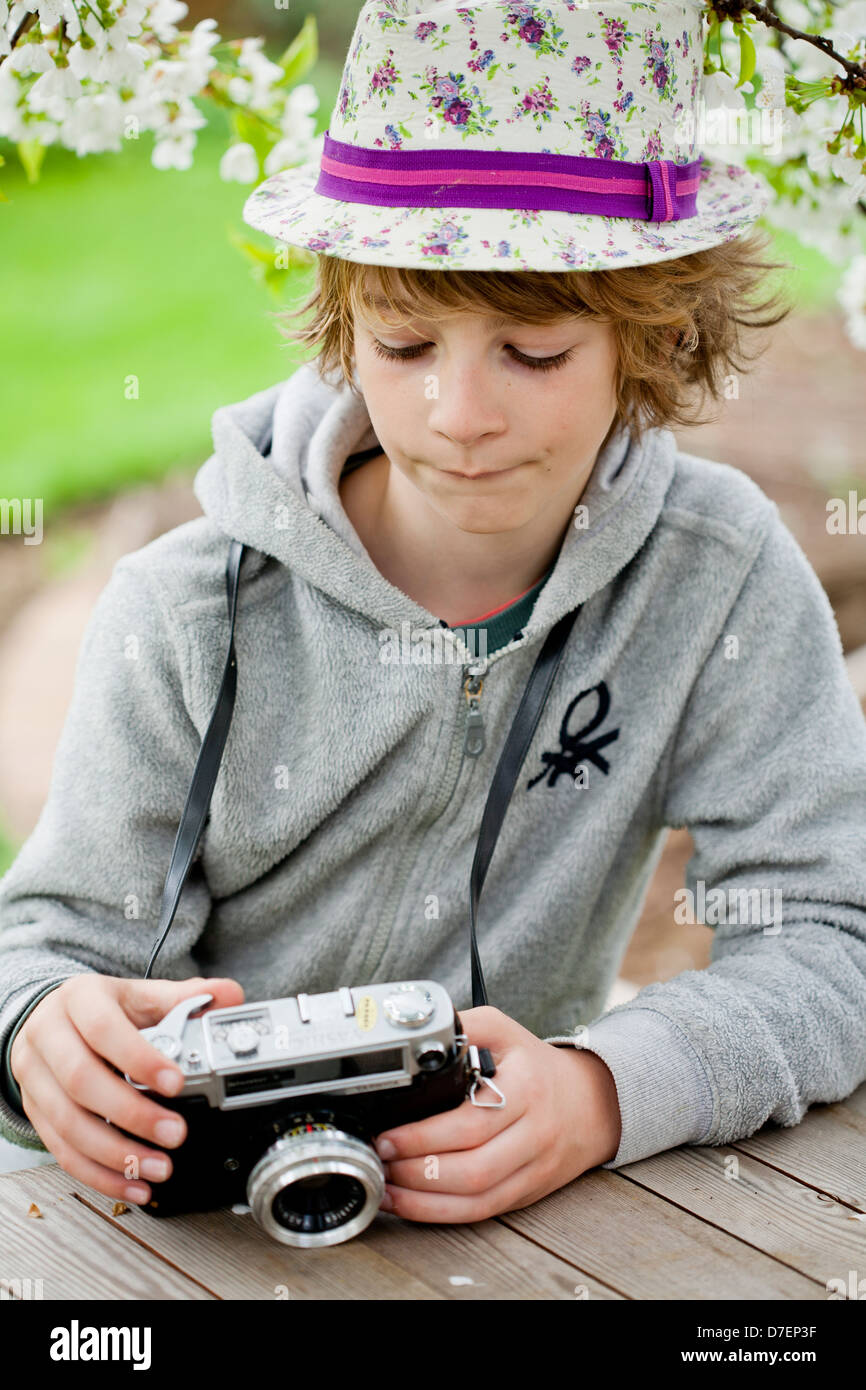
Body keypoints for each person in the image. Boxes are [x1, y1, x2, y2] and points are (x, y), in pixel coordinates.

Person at [2, 0, 865, 1230]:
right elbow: (52, 941)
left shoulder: (712, 576)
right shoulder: (184, 610)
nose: (458, 413)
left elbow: (831, 933)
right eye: (403, 342)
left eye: (530, 351)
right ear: (342, 317)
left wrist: (603, 1087)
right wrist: (38, 1026)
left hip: (513, 1223)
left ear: (650, 335)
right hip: (189, 1235)